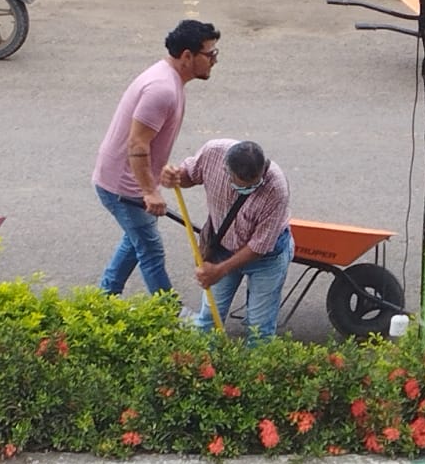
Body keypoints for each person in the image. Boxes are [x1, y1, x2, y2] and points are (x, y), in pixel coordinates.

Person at [92, 19, 221, 296]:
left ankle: (105, 296)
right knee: (150, 249)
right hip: (123, 187)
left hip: (128, 181)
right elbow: (137, 143)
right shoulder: (162, 89)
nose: (214, 61)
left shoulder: (170, 80)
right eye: (210, 54)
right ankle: (168, 312)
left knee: (136, 240)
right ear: (187, 56)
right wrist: (149, 191)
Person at [161, 139, 293, 339]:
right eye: (242, 186)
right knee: (209, 320)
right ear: (226, 170)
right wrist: (175, 177)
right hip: (223, 248)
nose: (249, 189)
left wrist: (220, 270)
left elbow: (259, 247)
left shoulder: (276, 187)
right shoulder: (213, 153)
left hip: (267, 257)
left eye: (255, 184)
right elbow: (188, 176)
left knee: (260, 329)